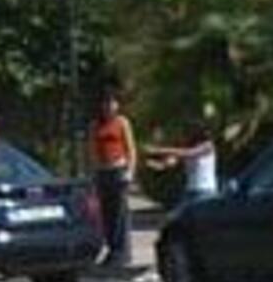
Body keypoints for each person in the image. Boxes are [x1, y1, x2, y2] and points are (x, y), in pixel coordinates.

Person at [91, 90, 139, 269]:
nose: (109, 106)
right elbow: (93, 149)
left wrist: (130, 171)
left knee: (120, 212)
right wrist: (94, 171)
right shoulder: (96, 125)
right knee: (107, 213)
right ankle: (112, 249)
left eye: (112, 103)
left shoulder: (122, 122)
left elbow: (131, 148)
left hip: (118, 168)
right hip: (103, 170)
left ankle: (123, 251)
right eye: (106, 103)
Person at [146, 124, 218, 201]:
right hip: (191, 190)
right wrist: (157, 165)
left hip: (206, 191)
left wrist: (159, 150)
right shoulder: (189, 147)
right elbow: (172, 162)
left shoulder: (208, 146)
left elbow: (189, 153)